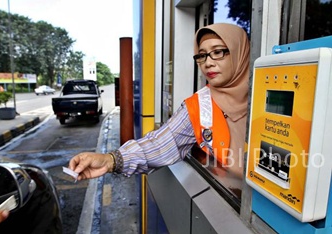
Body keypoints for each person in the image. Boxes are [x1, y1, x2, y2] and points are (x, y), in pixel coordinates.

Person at [69, 23, 249, 184]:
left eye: (217, 52)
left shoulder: (270, 97)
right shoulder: (199, 105)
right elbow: (161, 142)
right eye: (202, 56)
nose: (208, 63)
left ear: (239, 53)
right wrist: (111, 160)